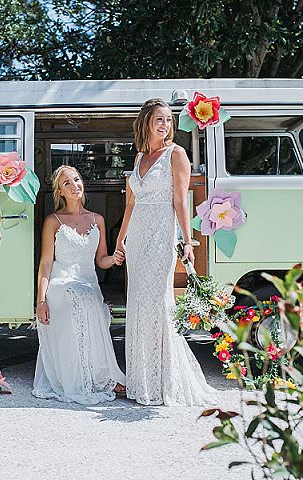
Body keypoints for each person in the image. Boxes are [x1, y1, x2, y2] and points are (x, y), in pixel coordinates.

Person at [116, 98, 220, 406]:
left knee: (158, 303)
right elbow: (131, 204)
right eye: (160, 119)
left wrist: (187, 241)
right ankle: (141, 381)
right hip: (137, 240)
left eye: (169, 120)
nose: (165, 125)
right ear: (146, 122)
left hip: (162, 235)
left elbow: (180, 201)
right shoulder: (139, 158)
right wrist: (121, 239)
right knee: (137, 305)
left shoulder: (177, 154)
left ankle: (164, 382)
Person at [32, 165, 127, 404]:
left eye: (76, 180)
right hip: (61, 283)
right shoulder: (53, 221)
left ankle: (99, 376)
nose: (74, 186)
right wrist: (41, 301)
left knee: (90, 301)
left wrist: (115, 259)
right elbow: (45, 264)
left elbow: (101, 261)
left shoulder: (98, 219)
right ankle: (95, 378)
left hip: (87, 282)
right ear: (60, 192)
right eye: (67, 183)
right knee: (81, 299)